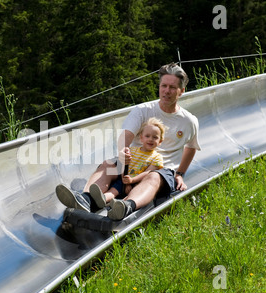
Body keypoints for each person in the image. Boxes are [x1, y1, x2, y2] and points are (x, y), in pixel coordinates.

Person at [56, 62, 201, 220]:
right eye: (163, 86)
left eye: (172, 87)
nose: (167, 91)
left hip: (160, 172)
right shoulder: (143, 110)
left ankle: (126, 206)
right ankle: (86, 199)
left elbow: (191, 147)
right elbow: (126, 135)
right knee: (108, 165)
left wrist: (180, 173)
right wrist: (123, 152)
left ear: (181, 91)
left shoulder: (189, 121)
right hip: (132, 165)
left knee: (153, 176)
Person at [88, 117, 166, 209]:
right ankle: (101, 199)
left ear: (160, 141)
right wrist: (125, 181)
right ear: (141, 138)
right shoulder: (132, 150)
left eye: (155, 137)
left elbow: (147, 173)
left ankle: (120, 206)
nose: (151, 139)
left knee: (133, 195)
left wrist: (132, 181)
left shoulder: (157, 158)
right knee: (114, 190)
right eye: (147, 136)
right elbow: (123, 164)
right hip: (125, 178)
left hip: (139, 183)